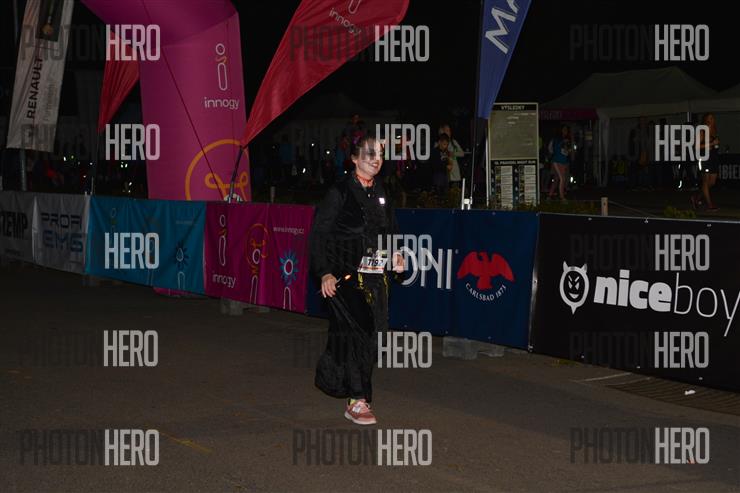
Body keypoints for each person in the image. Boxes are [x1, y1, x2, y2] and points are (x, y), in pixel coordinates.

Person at [309, 134, 405, 425]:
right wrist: (324, 272)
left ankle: (337, 376)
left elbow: (390, 231)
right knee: (359, 331)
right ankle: (358, 400)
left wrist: (396, 254)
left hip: (375, 279)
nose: (376, 159)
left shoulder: (382, 191)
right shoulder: (339, 192)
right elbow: (319, 235)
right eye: (370, 153)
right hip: (343, 277)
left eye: (380, 154)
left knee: (372, 336)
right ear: (354, 158)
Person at [691, 113, 720, 211]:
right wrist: (711, 144)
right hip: (704, 157)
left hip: (713, 157)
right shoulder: (702, 131)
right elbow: (696, 146)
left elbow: (715, 144)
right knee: (705, 181)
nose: (711, 120)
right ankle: (710, 204)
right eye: (709, 118)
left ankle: (696, 198)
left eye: (712, 118)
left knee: (712, 182)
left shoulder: (714, 131)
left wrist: (715, 145)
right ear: (705, 120)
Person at [547, 125, 573, 200]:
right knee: (562, 179)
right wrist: (563, 142)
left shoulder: (567, 140)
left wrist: (569, 149)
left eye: (566, 130)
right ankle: (562, 197)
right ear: (560, 130)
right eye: (564, 129)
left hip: (564, 161)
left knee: (557, 179)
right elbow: (553, 149)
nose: (565, 131)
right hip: (557, 161)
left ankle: (550, 195)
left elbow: (567, 151)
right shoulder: (556, 139)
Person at [428, 133, 452, 199]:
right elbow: (434, 165)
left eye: (447, 144)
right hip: (437, 177)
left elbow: (447, 162)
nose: (445, 146)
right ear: (439, 142)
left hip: (445, 176)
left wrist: (449, 163)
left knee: (445, 196)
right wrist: (446, 167)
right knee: (438, 196)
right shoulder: (434, 152)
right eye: (444, 144)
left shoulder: (446, 152)